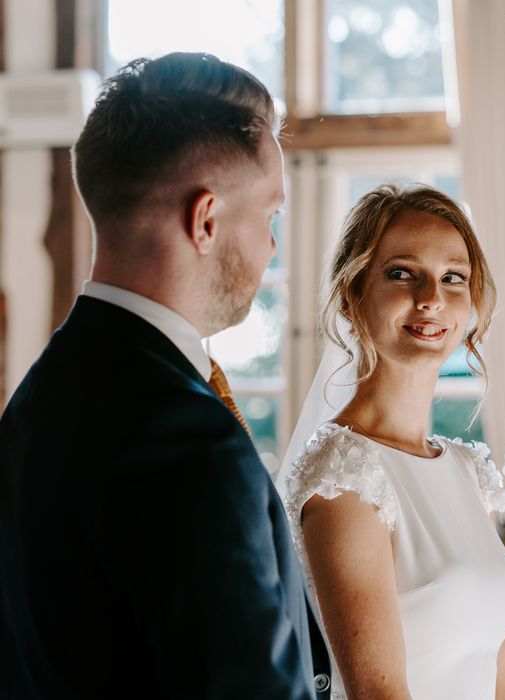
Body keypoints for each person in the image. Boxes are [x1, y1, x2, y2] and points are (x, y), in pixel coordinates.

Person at [0, 52, 329, 699]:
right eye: (270, 216)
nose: (270, 247)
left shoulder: (33, 405)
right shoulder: (189, 442)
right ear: (206, 220)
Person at [277, 184, 505, 699]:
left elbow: (500, 674)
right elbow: (378, 694)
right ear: (352, 295)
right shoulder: (341, 477)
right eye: (401, 273)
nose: (432, 298)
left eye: (453, 277)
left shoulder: (467, 470)